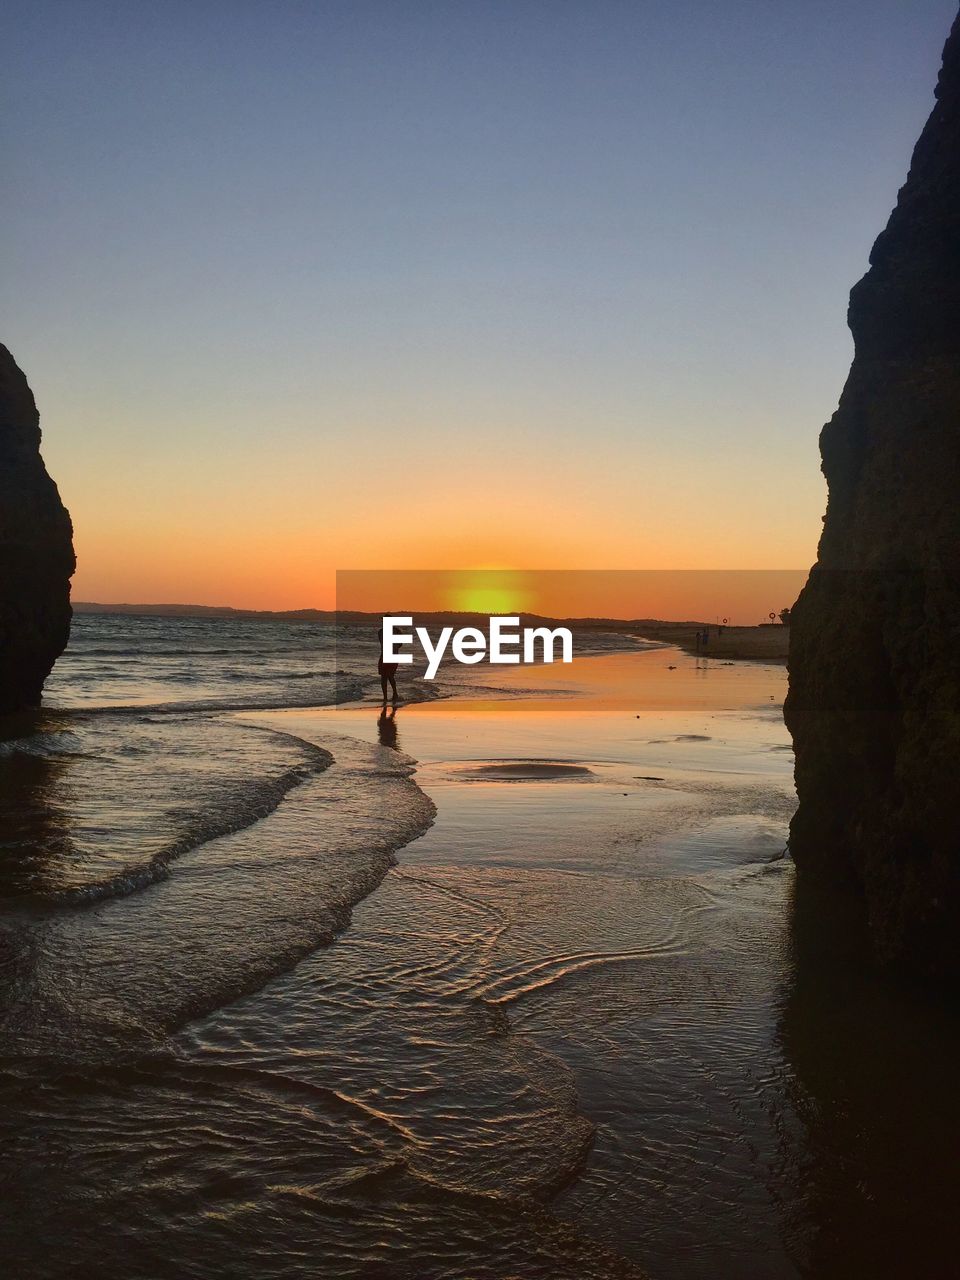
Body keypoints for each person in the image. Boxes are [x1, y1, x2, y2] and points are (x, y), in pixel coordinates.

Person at [377, 627, 399, 704]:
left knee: (388, 676)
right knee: (386, 676)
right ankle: (389, 696)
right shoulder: (396, 631)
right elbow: (400, 644)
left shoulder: (382, 631)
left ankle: (391, 695)